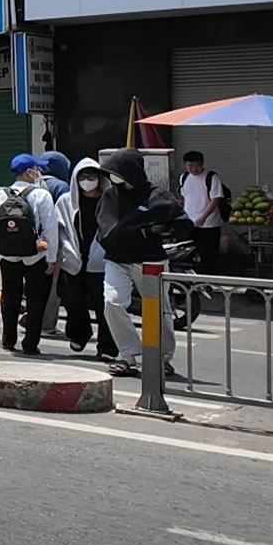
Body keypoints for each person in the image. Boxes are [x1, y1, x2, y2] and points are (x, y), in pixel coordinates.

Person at [98, 148, 188, 377]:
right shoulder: (110, 195)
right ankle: (128, 355)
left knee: (159, 310)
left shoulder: (158, 196)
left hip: (150, 261)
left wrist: (154, 232)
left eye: (118, 173)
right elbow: (103, 224)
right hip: (117, 260)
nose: (115, 178)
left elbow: (184, 224)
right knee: (112, 302)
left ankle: (162, 358)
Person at [0, 154, 61, 355]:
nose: (38, 172)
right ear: (29, 171)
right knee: (36, 300)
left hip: (7, 257)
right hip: (35, 256)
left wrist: (5, 247)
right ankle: (30, 343)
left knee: (10, 297)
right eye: (36, 168)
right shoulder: (41, 196)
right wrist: (51, 257)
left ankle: (8, 340)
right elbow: (50, 229)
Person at [56, 157, 116, 359]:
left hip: (102, 260)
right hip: (73, 259)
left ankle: (107, 347)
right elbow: (59, 229)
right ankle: (79, 335)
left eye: (92, 176)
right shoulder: (66, 201)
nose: (88, 180)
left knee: (103, 304)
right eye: (83, 176)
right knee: (73, 300)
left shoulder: (109, 200)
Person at [36, 152, 74, 336]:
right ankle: (47, 324)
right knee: (53, 286)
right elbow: (69, 214)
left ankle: (33, 316)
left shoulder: (32, 183)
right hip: (53, 242)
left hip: (31, 243)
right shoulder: (60, 186)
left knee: (34, 283)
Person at [179, 150, 228, 275]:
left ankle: (209, 279)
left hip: (209, 223)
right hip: (190, 222)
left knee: (209, 255)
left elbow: (215, 199)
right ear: (185, 165)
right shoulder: (184, 177)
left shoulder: (211, 177)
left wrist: (203, 217)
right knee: (189, 253)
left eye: (197, 166)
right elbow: (186, 198)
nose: (194, 169)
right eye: (190, 166)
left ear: (202, 164)